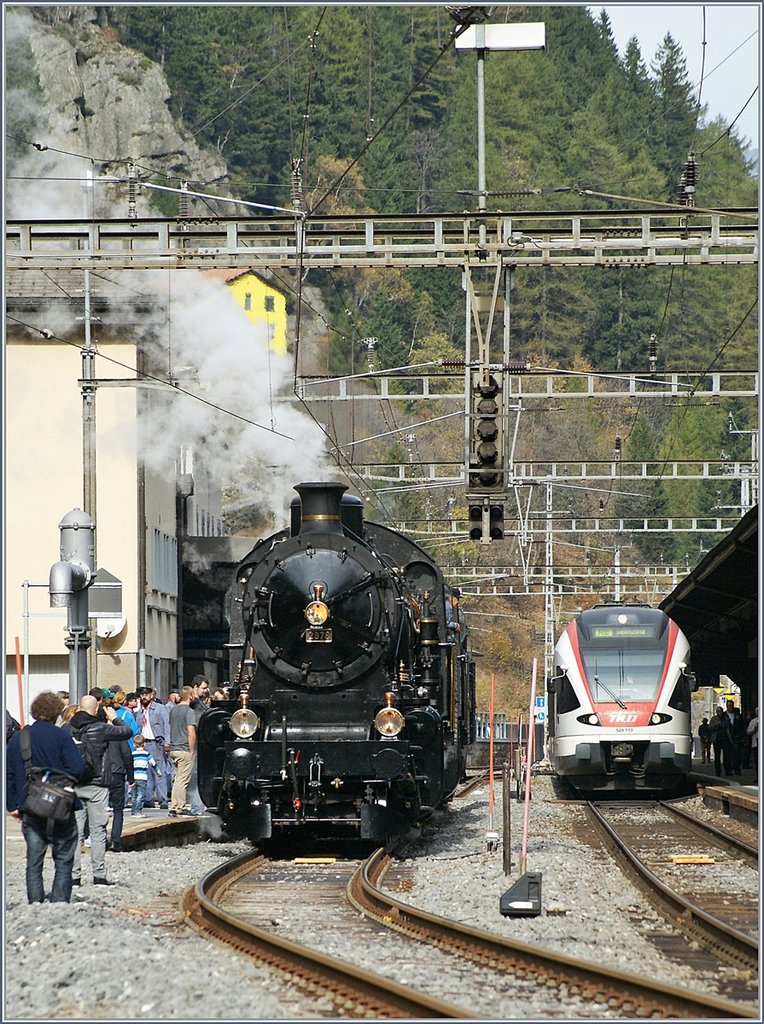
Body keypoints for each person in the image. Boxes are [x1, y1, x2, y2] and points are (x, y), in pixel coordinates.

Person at [6, 691, 86, 903]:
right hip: (61, 805)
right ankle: (59, 900)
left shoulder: (19, 738)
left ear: (34, 711)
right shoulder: (62, 736)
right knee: (64, 856)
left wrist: (12, 804)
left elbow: (9, 774)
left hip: (30, 804)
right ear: (57, 713)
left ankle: (35, 901)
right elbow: (77, 768)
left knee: (34, 859)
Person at [63, 694, 133, 887]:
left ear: (78, 709)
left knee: (75, 834)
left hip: (74, 785)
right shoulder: (100, 728)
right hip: (97, 785)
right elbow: (127, 732)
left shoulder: (66, 729)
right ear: (95, 710)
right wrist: (114, 718)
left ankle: (74, 877)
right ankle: (99, 876)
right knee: (98, 832)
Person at [133, 687, 171, 808]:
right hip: (144, 744)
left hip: (157, 743)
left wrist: (167, 743)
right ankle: (148, 799)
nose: (144, 697)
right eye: (142, 695)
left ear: (151, 696)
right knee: (146, 772)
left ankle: (163, 800)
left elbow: (166, 726)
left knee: (160, 771)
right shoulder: (139, 712)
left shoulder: (160, 709)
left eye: (146, 694)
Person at [168, 686, 197, 817]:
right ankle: (179, 806)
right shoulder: (189, 711)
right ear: (190, 696)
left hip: (174, 748)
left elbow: (170, 728)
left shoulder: (173, 710)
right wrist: (192, 750)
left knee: (177, 778)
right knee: (182, 779)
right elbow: (191, 732)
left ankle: (174, 806)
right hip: (184, 748)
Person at [107, 733, 134, 852]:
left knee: (96, 807)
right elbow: (127, 755)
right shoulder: (118, 735)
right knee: (118, 809)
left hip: (100, 774)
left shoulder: (95, 732)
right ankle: (115, 841)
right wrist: (131, 776)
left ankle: (96, 839)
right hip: (117, 773)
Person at [130, 734, 159, 817]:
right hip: (142, 777)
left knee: (134, 795)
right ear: (144, 744)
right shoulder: (146, 754)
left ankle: (133, 811)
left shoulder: (132, 754)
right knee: (141, 795)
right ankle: (138, 811)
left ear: (134, 744)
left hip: (133, 777)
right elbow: (153, 763)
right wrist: (158, 771)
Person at [709, 706, 732, 778]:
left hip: (725, 739)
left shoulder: (726, 718)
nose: (720, 713)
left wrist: (730, 738)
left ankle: (727, 771)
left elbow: (729, 728)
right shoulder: (713, 719)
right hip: (717, 739)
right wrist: (716, 726)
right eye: (718, 711)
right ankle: (718, 771)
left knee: (727, 756)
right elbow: (710, 727)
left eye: (721, 711)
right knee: (717, 756)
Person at [746, 707, 758, 784]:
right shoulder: (753, 721)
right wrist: (753, 730)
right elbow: (748, 731)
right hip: (756, 743)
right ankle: (758, 776)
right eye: (757, 711)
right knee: (757, 761)